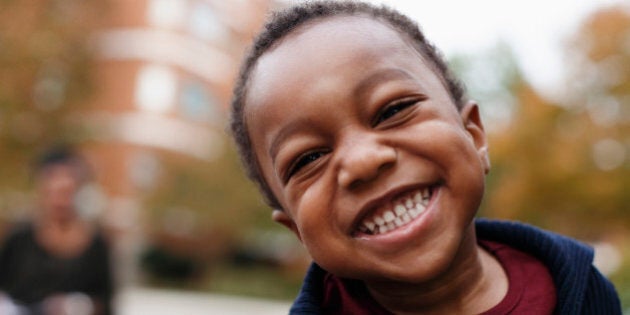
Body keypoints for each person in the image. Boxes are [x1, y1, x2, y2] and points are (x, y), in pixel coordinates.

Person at [228, 1, 621, 314]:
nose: (364, 161)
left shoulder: (584, 291)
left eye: (392, 111)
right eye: (308, 157)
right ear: (297, 230)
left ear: (474, 136)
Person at [0, 146, 114, 315]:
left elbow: (106, 300)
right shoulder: (19, 239)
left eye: (66, 192)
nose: (60, 201)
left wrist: (80, 305)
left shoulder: (96, 244)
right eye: (55, 192)